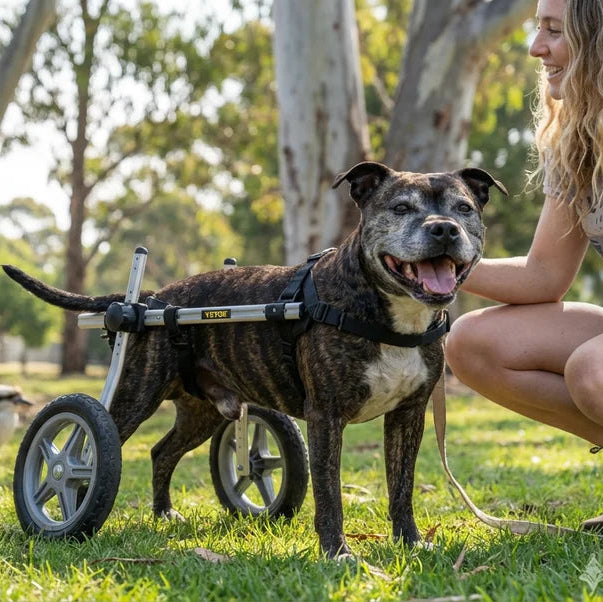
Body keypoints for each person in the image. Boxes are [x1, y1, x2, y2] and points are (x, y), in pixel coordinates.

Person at [445, 0, 603, 531]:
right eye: (538, 28)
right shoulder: (579, 142)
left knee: (594, 370)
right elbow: (543, 277)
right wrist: (439, 263)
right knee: (471, 343)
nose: (537, 48)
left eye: (554, 31)